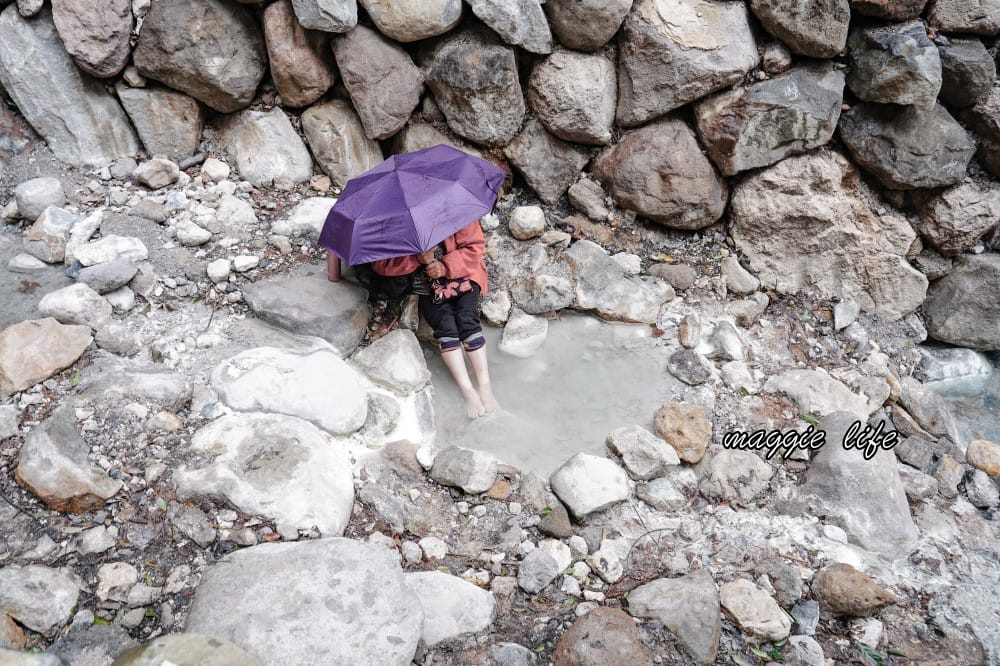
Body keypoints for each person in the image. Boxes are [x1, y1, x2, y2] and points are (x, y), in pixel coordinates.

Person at [372, 221, 501, 419]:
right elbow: (381, 265)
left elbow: (474, 247)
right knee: (446, 328)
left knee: (467, 320)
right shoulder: (396, 221)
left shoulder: (455, 209)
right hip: (427, 288)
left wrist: (444, 266)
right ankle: (468, 390)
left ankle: (485, 386)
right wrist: (416, 258)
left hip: (464, 275)